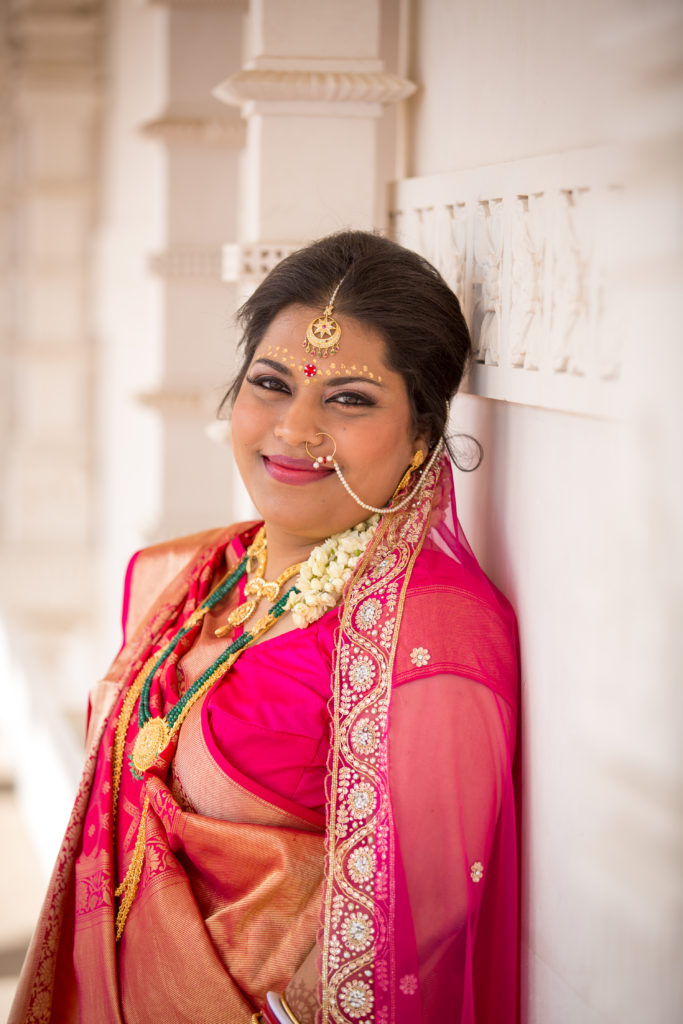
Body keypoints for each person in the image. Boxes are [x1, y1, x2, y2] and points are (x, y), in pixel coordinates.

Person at [10, 230, 519, 1024]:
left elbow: (415, 929)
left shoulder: (432, 633)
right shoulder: (185, 577)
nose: (294, 428)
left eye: (349, 399)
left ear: (422, 434)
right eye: (271, 383)